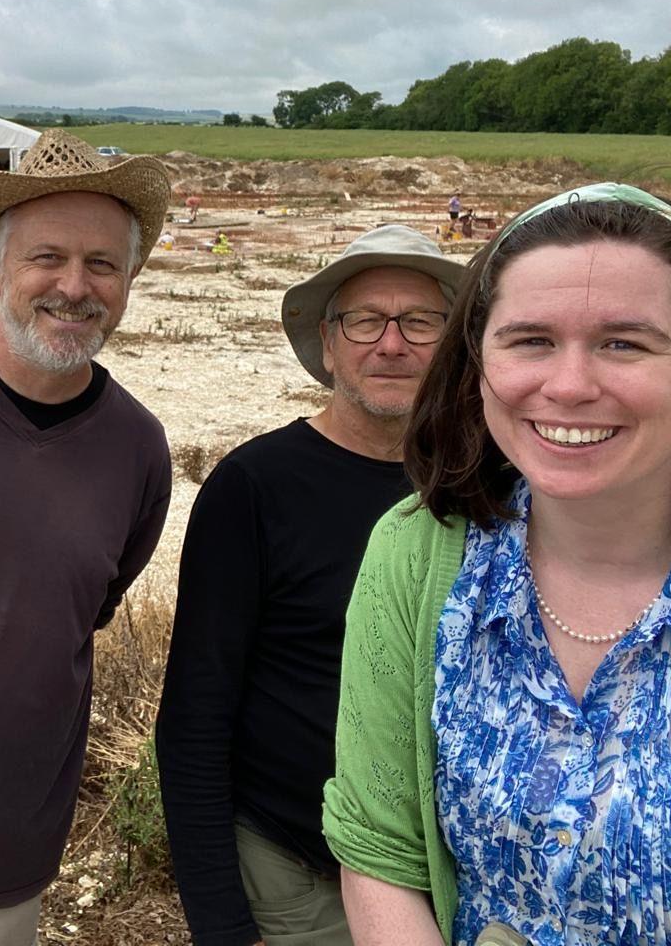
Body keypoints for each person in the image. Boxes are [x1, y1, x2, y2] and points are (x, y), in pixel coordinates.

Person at [324, 183, 671, 945]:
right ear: (479, 362)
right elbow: (381, 849)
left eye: (623, 342)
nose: (567, 385)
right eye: (530, 339)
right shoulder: (418, 552)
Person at [0, 129, 174, 944]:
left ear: (130, 279)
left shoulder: (137, 448)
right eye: (46, 257)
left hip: (4, 846)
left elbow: (80, 611)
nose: (74, 286)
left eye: (102, 264)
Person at [157, 225, 463, 946]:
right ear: (327, 345)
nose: (391, 344)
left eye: (420, 321)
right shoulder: (254, 486)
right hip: (298, 882)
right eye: (365, 320)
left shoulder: (489, 483)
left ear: (455, 346)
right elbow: (197, 713)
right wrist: (223, 923)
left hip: (460, 879)